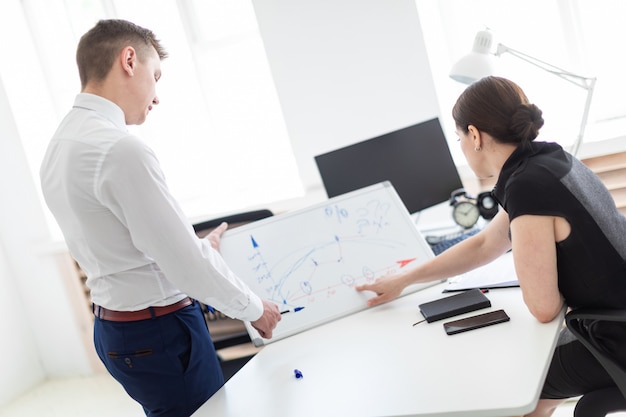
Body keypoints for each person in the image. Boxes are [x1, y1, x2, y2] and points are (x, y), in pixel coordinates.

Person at [40, 19, 281, 417]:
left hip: (116, 330)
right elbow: (183, 263)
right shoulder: (119, 149)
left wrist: (199, 247)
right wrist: (255, 308)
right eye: (156, 76)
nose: (156, 97)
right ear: (129, 60)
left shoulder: (60, 145)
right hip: (161, 331)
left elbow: (121, 242)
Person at [356, 76, 626, 417]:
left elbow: (543, 308)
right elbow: (487, 242)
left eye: (459, 139)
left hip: (616, 340)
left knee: (515, 385)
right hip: (616, 319)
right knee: (530, 378)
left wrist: (547, 274)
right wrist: (406, 278)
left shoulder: (528, 185)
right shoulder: (547, 160)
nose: (463, 147)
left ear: (474, 135)